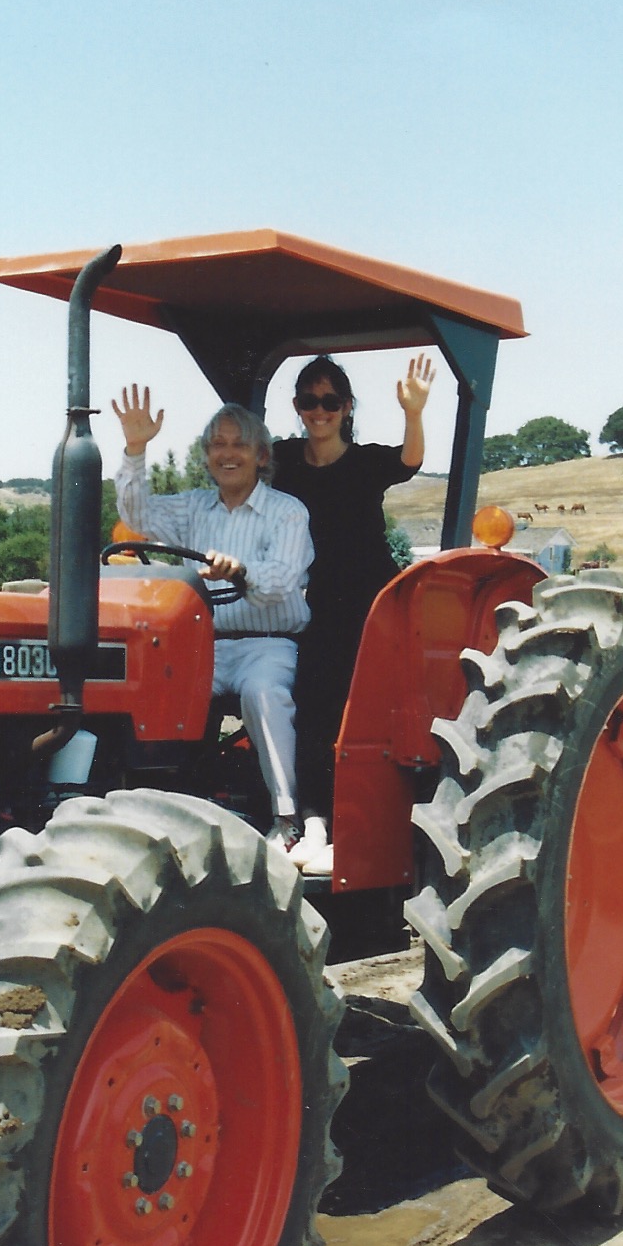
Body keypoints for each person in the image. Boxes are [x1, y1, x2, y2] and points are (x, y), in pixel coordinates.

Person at [113, 385, 314, 849]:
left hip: (267, 642)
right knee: (146, 691)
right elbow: (137, 513)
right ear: (206, 456)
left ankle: (286, 818)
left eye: (239, 444)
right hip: (203, 644)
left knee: (264, 694)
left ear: (261, 456)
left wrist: (240, 570)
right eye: (217, 445)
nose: (228, 454)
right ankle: (155, 808)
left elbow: (282, 580)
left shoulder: (286, 513)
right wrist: (137, 449)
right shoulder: (192, 507)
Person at [272, 352, 434, 873]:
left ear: (346, 408)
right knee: (309, 705)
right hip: (310, 600)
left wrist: (414, 411)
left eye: (329, 401)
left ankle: (351, 824)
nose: (319, 411)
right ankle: (311, 821)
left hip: (367, 601)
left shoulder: (364, 462)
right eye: (308, 401)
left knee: (350, 705)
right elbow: (233, 464)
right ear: (297, 407)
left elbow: (409, 462)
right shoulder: (283, 460)